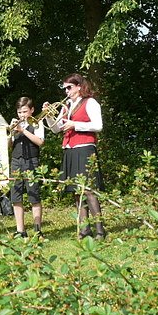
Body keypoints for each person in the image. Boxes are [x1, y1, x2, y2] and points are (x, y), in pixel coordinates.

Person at [44, 73, 105, 239]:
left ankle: (100, 230)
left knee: (89, 190)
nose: (66, 92)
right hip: (70, 149)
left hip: (85, 148)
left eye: (69, 88)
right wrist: (48, 116)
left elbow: (98, 125)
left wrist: (75, 124)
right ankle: (85, 230)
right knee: (76, 191)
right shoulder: (66, 106)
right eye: (64, 89)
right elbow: (56, 129)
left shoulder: (90, 102)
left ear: (79, 86)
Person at [8, 97, 45, 238]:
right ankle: (20, 231)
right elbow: (8, 146)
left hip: (31, 161)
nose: (22, 115)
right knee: (16, 196)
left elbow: (40, 142)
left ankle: (37, 230)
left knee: (34, 195)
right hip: (16, 161)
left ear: (32, 110)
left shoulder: (37, 123)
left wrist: (23, 131)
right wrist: (11, 133)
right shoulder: (15, 124)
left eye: (24, 111)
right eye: (19, 112)